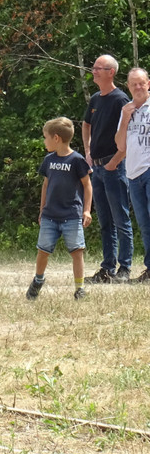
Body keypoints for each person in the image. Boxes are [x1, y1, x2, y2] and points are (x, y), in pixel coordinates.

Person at [27, 117, 93, 300]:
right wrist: (42, 209)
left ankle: (79, 288)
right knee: (43, 251)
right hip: (50, 216)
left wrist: (86, 210)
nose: (44, 141)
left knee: (77, 252)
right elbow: (46, 186)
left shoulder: (77, 160)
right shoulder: (49, 160)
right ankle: (38, 280)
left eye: (45, 137)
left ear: (56, 138)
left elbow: (88, 186)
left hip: (71, 215)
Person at [83, 54, 133, 283]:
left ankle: (125, 268)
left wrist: (116, 160)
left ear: (111, 72)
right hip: (98, 169)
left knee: (120, 219)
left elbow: (128, 133)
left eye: (98, 68)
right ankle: (107, 268)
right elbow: (86, 124)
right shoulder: (95, 99)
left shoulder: (119, 99)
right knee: (105, 222)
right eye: (93, 68)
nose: (93, 71)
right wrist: (87, 151)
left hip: (115, 167)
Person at [115, 68, 150, 283]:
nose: (138, 87)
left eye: (141, 83)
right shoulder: (125, 110)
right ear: (128, 87)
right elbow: (120, 145)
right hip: (133, 173)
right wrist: (126, 117)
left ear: (148, 84)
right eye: (133, 84)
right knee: (144, 225)